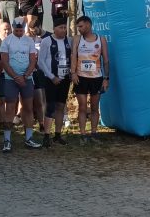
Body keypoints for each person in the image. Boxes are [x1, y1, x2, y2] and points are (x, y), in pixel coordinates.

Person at [0, 18, 41, 151]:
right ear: (13, 28)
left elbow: (33, 60)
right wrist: (15, 77)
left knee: (28, 107)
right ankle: (7, 140)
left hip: (26, 78)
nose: (19, 32)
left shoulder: (29, 41)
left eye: (21, 30)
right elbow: (4, 62)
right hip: (10, 79)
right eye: (16, 30)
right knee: (10, 108)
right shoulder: (6, 41)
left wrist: (25, 76)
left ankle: (29, 138)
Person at [71, 15, 109, 144]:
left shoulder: (101, 39)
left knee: (94, 107)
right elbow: (73, 56)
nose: (79, 29)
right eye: (78, 27)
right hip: (81, 77)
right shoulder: (77, 39)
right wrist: (73, 73)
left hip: (96, 78)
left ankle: (94, 132)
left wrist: (106, 78)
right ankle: (82, 134)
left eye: (81, 26)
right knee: (82, 107)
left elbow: (106, 60)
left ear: (88, 25)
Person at [37, 18, 72, 147]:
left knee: (61, 106)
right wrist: (52, 77)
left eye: (65, 27)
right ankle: (46, 135)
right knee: (50, 106)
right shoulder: (46, 41)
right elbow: (41, 61)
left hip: (65, 78)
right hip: (51, 79)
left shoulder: (69, 41)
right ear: (54, 29)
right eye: (60, 27)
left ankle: (58, 134)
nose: (63, 30)